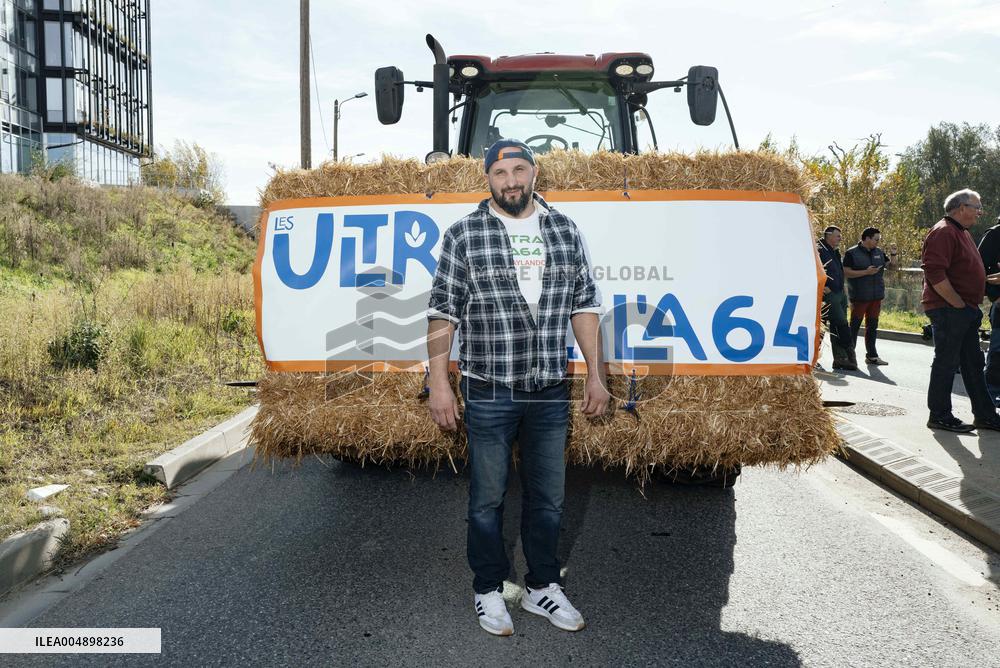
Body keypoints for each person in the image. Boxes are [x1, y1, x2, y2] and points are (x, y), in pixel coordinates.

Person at [425, 139, 610, 636]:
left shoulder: (564, 230)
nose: (510, 180)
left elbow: (584, 306)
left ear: (534, 173)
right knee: (487, 499)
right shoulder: (465, 234)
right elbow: (444, 312)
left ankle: (541, 588)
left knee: (548, 498)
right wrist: (439, 383)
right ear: (488, 178)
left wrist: (595, 373)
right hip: (489, 389)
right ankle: (488, 590)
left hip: (550, 389)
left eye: (519, 169)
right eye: (500, 172)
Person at [921, 188, 1000, 432]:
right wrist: (956, 302)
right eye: (976, 207)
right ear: (961, 207)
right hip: (950, 309)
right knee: (946, 362)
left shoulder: (960, 232)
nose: (980, 212)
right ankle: (940, 414)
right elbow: (934, 272)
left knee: (973, 363)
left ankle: (985, 415)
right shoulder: (944, 231)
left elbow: (962, 271)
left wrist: (987, 280)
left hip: (963, 309)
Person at [843, 227, 896, 366]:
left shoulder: (879, 252)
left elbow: (892, 267)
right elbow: (846, 272)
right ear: (867, 238)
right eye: (876, 239)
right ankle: (849, 356)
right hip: (859, 296)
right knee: (854, 326)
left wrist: (894, 254)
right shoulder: (851, 253)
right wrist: (866, 272)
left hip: (876, 296)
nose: (878, 242)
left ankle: (872, 356)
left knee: (872, 326)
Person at [817, 226, 856, 370]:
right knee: (840, 323)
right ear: (828, 236)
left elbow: (840, 272)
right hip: (828, 294)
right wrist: (822, 286)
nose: (840, 238)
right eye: (837, 235)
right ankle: (849, 353)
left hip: (839, 293)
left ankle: (840, 358)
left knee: (832, 326)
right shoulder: (819, 250)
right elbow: (813, 268)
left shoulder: (835, 251)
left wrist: (845, 293)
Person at [977, 214, 1000, 402]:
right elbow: (979, 267)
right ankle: (988, 401)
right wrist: (995, 296)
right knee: (997, 352)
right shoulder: (994, 235)